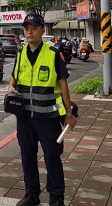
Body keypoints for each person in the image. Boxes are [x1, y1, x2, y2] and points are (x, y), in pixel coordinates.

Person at [7, 13, 77, 206]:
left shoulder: (53, 53)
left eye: (34, 28)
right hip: (25, 118)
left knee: (52, 157)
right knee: (27, 156)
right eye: (26, 28)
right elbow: (14, 76)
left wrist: (68, 113)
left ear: (42, 30)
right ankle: (32, 193)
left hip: (48, 118)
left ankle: (56, 197)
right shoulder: (21, 53)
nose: (29, 32)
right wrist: (10, 87)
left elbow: (63, 84)